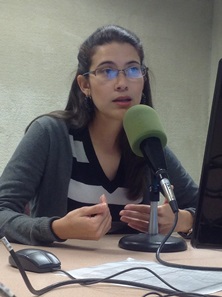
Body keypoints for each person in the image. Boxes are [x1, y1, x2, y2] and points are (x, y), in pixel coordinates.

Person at [0, 25, 198, 246]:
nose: (122, 84)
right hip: (61, 273)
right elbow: (2, 211)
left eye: (133, 69)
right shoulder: (50, 133)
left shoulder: (146, 141)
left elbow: (208, 209)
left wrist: (184, 219)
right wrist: (57, 229)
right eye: (107, 71)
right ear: (85, 84)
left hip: (133, 272)